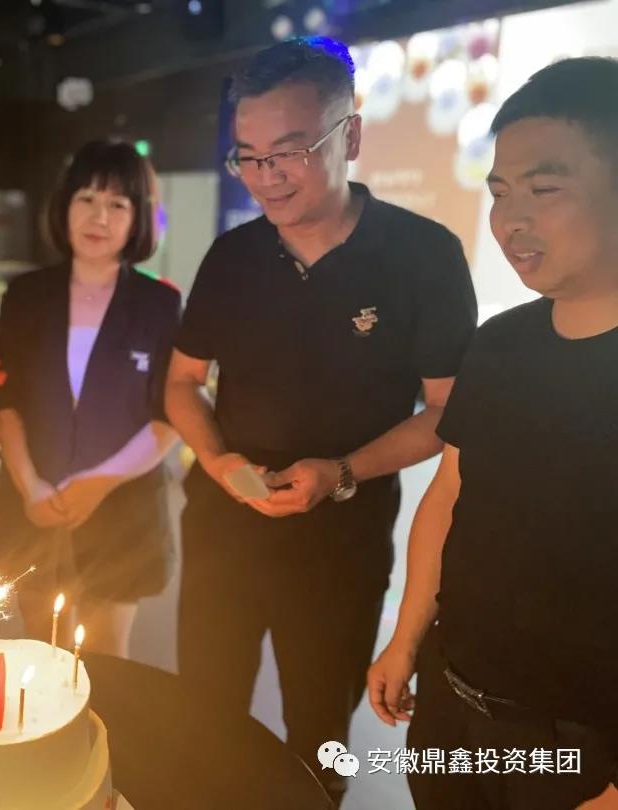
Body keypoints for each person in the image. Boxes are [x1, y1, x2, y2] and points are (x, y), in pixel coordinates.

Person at [164, 37, 478, 804]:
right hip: (224, 529)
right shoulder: (233, 256)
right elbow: (181, 383)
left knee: (319, 739)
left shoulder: (422, 256)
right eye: (249, 157)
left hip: (342, 542)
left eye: (290, 152)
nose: (266, 177)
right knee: (200, 720)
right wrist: (218, 461)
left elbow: (449, 412)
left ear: (351, 135)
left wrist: (341, 472)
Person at [368, 57, 618, 810]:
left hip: (580, 745)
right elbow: (450, 493)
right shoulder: (500, 343)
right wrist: (406, 637)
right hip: (455, 706)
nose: (511, 220)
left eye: (545, 189)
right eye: (501, 192)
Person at [0, 140, 180, 656]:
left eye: (118, 204)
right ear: (64, 205)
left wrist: (98, 483)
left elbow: (168, 416)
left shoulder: (160, 304)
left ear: (138, 218)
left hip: (123, 507)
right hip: (34, 501)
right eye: (87, 199)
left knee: (106, 659)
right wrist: (30, 486)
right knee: (40, 654)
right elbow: (6, 401)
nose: (100, 217)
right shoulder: (26, 295)